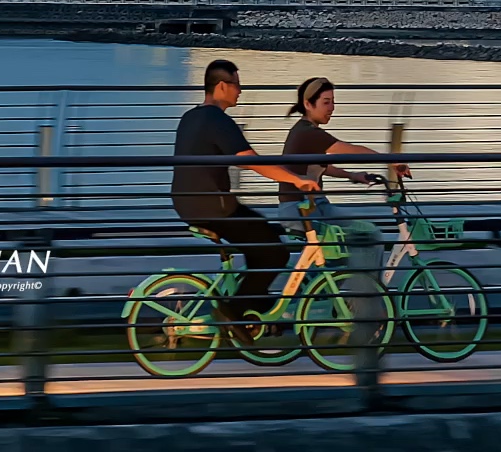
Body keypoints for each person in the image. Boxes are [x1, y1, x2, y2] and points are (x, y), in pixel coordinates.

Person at [171, 59, 319, 341]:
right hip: (214, 208)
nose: (240, 91)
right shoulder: (217, 119)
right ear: (222, 86)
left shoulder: (190, 116)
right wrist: (295, 179)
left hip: (189, 204)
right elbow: (249, 161)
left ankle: (255, 305)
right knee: (276, 252)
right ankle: (233, 310)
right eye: (237, 85)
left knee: (266, 237)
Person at [274, 77, 406, 274]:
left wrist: (352, 175)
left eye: (333, 101)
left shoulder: (307, 132)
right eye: (326, 102)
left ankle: (343, 293)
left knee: (349, 247)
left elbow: (321, 167)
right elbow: (347, 149)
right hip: (301, 210)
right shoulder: (308, 133)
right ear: (308, 104)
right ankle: (363, 296)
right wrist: (391, 160)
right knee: (369, 235)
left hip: (313, 206)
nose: (332, 108)